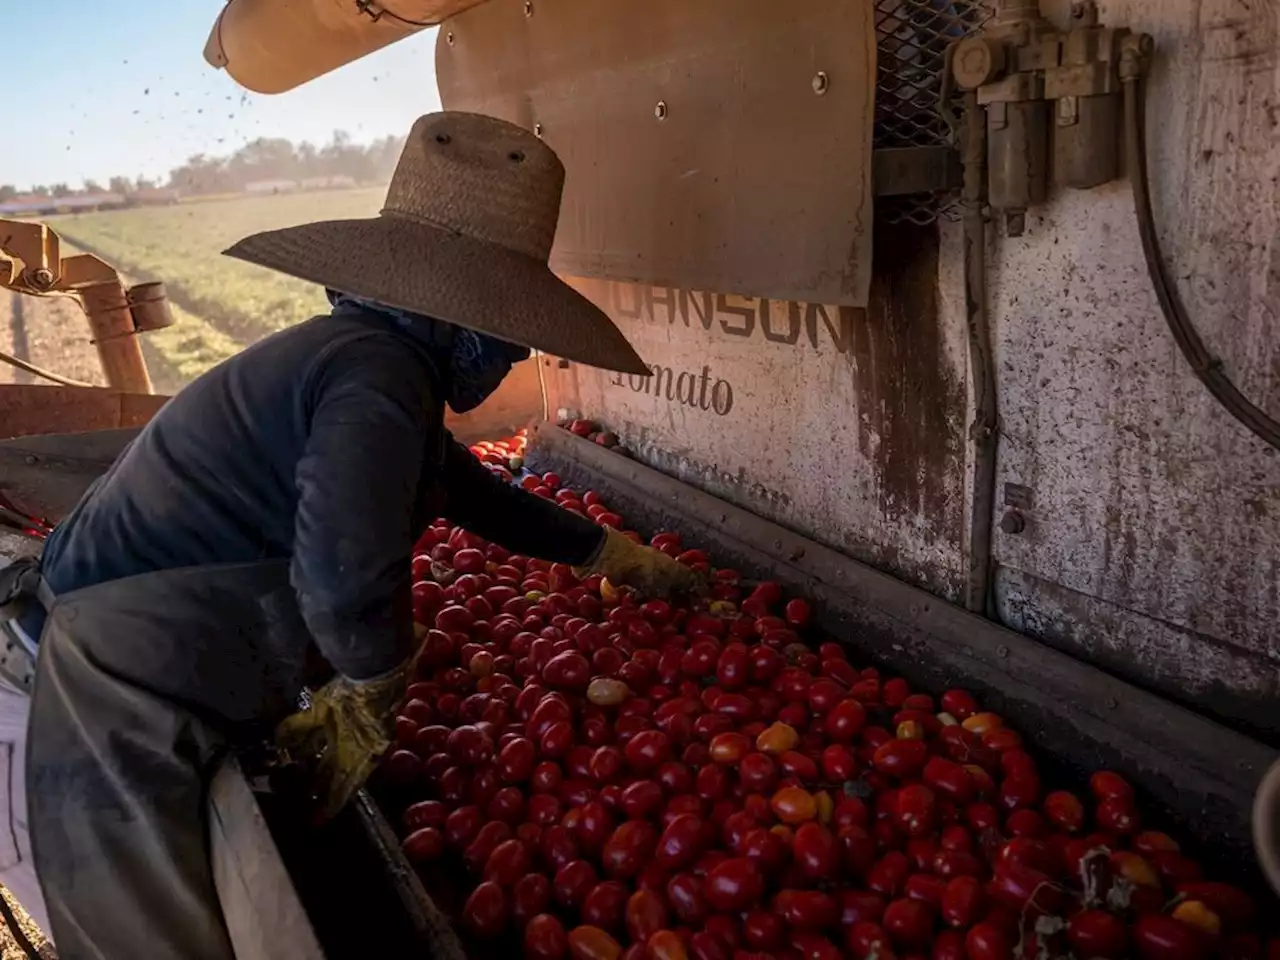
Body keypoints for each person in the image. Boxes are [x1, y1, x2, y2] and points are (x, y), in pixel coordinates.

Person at [0, 111, 694, 959]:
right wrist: (372, 682)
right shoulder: (377, 378)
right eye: (507, 335)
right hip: (116, 676)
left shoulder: (359, 357)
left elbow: (469, 491)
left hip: (144, 641)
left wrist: (601, 553)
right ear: (451, 317)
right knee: (149, 937)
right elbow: (342, 573)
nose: (512, 360)